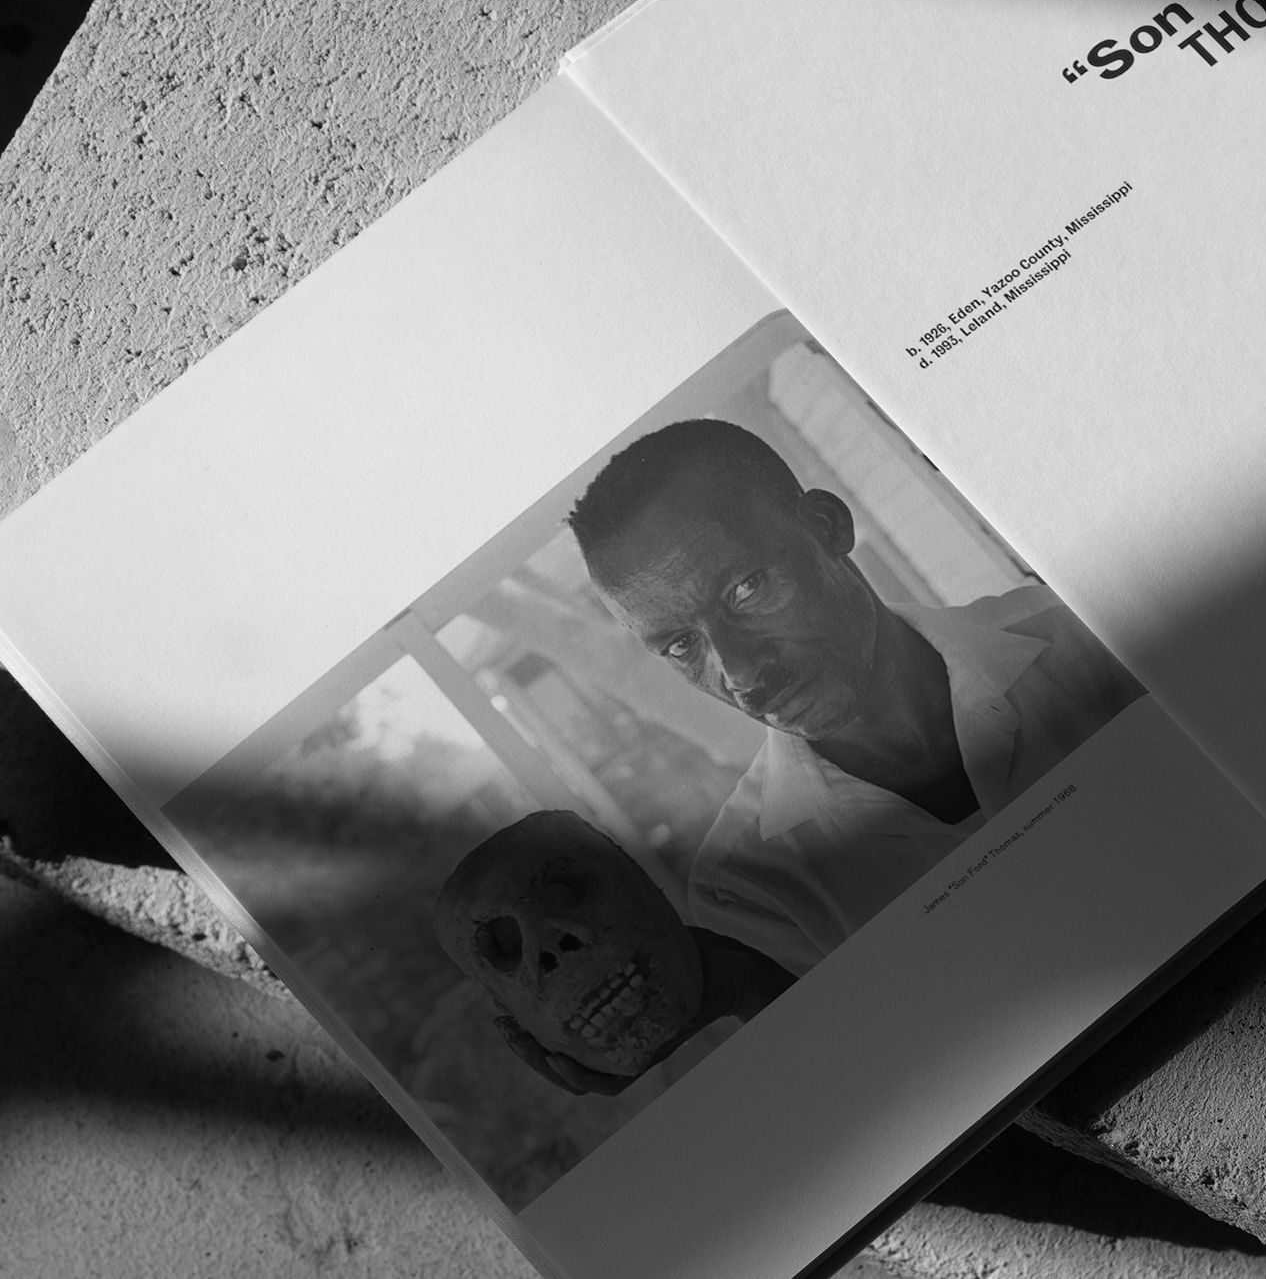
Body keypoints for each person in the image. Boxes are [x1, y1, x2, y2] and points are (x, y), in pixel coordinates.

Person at [569, 419, 1145, 973]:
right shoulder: (751, 890)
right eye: (680, 646)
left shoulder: (1101, 637)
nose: (741, 673)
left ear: (827, 526)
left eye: (744, 590)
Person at [434, 810, 792, 1096]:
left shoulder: (749, 888)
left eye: (567, 893)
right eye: (505, 949)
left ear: (639, 880)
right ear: (507, 1009)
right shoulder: (739, 893)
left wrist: (747, 984)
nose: (554, 950)